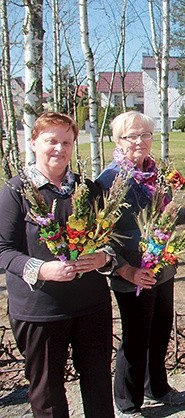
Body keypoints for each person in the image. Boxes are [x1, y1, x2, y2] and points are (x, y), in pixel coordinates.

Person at [0, 112, 115, 417]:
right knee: (48, 392)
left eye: (66, 142)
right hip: (41, 310)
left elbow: (110, 239)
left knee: (99, 382)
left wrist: (103, 258)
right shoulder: (16, 192)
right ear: (34, 142)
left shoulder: (87, 190)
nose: (59, 149)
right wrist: (40, 269)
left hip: (91, 304)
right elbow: (2, 250)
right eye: (51, 140)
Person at [96, 111, 185, 417]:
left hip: (162, 267)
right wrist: (126, 270)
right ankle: (128, 402)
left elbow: (162, 218)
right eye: (131, 136)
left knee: (160, 328)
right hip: (132, 272)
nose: (139, 141)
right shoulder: (109, 180)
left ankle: (157, 386)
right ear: (117, 140)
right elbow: (102, 235)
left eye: (145, 135)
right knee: (136, 335)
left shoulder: (156, 174)